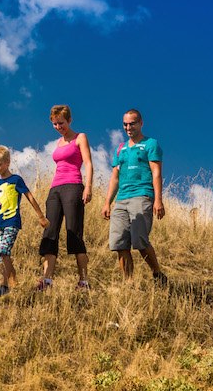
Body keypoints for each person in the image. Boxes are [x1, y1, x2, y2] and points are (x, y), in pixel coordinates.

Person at [101, 109, 168, 285]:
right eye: (125, 124)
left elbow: (156, 173)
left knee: (139, 240)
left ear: (141, 123)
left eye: (132, 123)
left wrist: (158, 200)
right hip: (121, 199)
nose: (128, 127)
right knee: (119, 243)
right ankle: (128, 283)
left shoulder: (150, 144)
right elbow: (115, 177)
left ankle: (157, 273)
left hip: (142, 195)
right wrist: (107, 202)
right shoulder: (120, 149)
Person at [38, 105, 94, 290]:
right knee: (50, 232)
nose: (58, 126)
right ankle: (47, 280)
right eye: (54, 124)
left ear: (69, 120)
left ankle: (83, 282)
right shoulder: (58, 143)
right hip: (55, 189)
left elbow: (88, 163)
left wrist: (88, 187)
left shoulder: (80, 137)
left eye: (61, 123)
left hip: (73, 186)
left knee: (74, 232)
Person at [0, 146, 49, 297]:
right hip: (0, 225)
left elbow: (30, 197)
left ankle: (10, 283)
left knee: (4, 252)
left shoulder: (16, 180)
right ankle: (7, 285)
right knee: (2, 257)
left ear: (7, 163)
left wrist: (41, 216)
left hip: (12, 222)